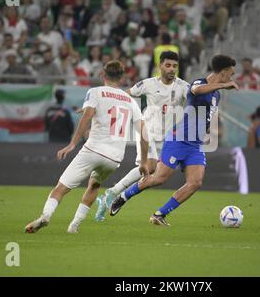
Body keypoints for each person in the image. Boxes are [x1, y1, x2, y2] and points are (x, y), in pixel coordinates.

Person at [109, 55, 239, 226]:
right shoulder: (199, 83)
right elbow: (196, 91)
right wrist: (224, 85)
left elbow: (207, 115)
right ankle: (123, 196)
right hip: (179, 139)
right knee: (158, 178)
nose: (232, 78)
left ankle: (159, 214)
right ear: (222, 73)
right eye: (231, 74)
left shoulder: (216, 95)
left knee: (195, 182)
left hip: (195, 144)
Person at [24, 61, 149, 233]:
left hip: (93, 150)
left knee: (60, 188)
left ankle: (46, 216)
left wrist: (72, 143)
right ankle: (74, 226)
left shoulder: (95, 92)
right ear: (122, 78)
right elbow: (144, 134)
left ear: (102, 76)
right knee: (94, 185)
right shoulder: (130, 100)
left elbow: (87, 117)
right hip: (114, 158)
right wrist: (143, 161)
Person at [94, 51, 189, 221]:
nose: (171, 69)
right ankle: (114, 194)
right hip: (148, 131)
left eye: (175, 66)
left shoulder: (183, 86)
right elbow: (124, 95)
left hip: (169, 137)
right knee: (150, 167)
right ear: (160, 66)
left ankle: (112, 193)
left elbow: (196, 94)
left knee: (150, 172)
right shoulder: (148, 84)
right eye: (168, 65)